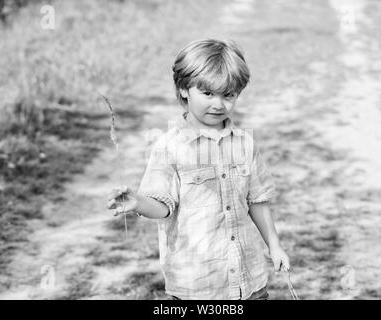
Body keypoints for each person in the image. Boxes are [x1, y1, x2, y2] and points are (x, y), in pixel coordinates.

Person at [107, 39, 290, 300]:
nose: (218, 104)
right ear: (184, 89)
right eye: (208, 94)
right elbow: (163, 206)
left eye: (228, 95)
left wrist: (274, 246)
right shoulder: (170, 147)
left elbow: (257, 200)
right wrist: (137, 202)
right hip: (197, 287)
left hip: (248, 281)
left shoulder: (244, 143)